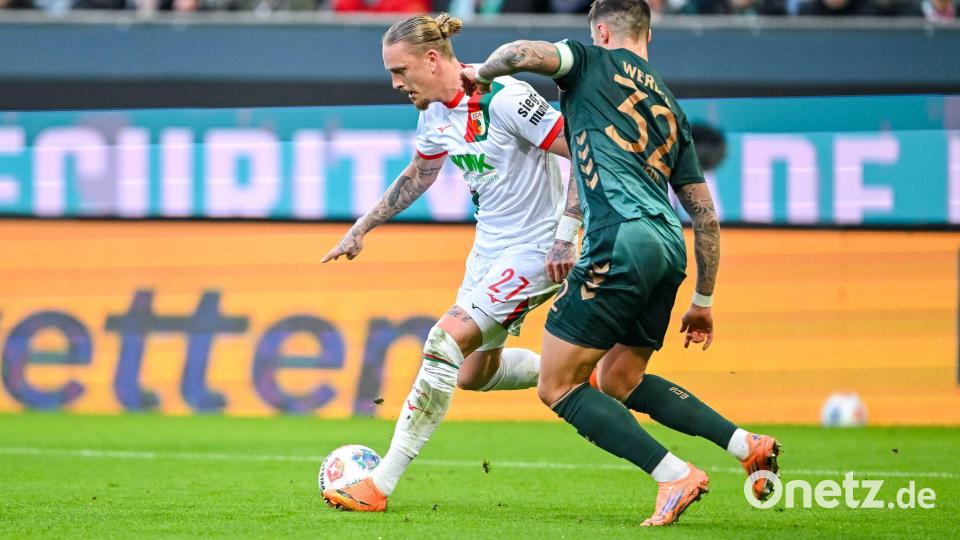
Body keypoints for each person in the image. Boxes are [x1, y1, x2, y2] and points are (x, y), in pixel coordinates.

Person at [460, 0, 779, 526]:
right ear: (647, 33)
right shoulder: (670, 107)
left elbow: (519, 53)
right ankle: (745, 444)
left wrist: (483, 74)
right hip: (668, 247)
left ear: (603, 31)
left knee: (557, 385)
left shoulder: (589, 60)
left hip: (619, 239)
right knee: (620, 379)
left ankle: (674, 474)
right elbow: (704, 216)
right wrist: (703, 300)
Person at [321, 13, 579, 512]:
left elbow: (585, 154)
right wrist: (363, 228)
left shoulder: (505, 97)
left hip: (536, 247)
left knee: (443, 341)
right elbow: (421, 174)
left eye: (400, 71)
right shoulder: (434, 113)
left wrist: (566, 236)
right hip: (488, 250)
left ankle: (378, 486)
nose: (395, 84)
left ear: (433, 58)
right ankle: (578, 371)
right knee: (472, 374)